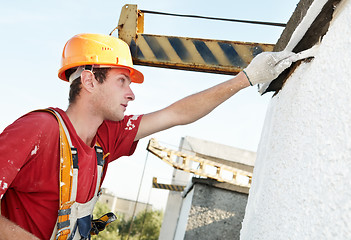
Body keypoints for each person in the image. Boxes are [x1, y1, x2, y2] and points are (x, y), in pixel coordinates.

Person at [0, 33, 296, 240]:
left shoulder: (106, 137)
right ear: (89, 80)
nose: (130, 93)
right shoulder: (38, 130)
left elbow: (177, 113)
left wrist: (245, 79)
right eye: (121, 81)